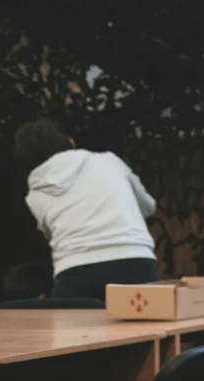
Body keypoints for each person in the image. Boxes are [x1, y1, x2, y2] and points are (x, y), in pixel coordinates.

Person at [15, 119, 160, 300]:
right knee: (145, 324)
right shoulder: (110, 161)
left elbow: (50, 236)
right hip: (136, 262)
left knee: (71, 326)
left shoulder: (34, 195)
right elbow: (148, 206)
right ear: (70, 142)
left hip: (76, 270)